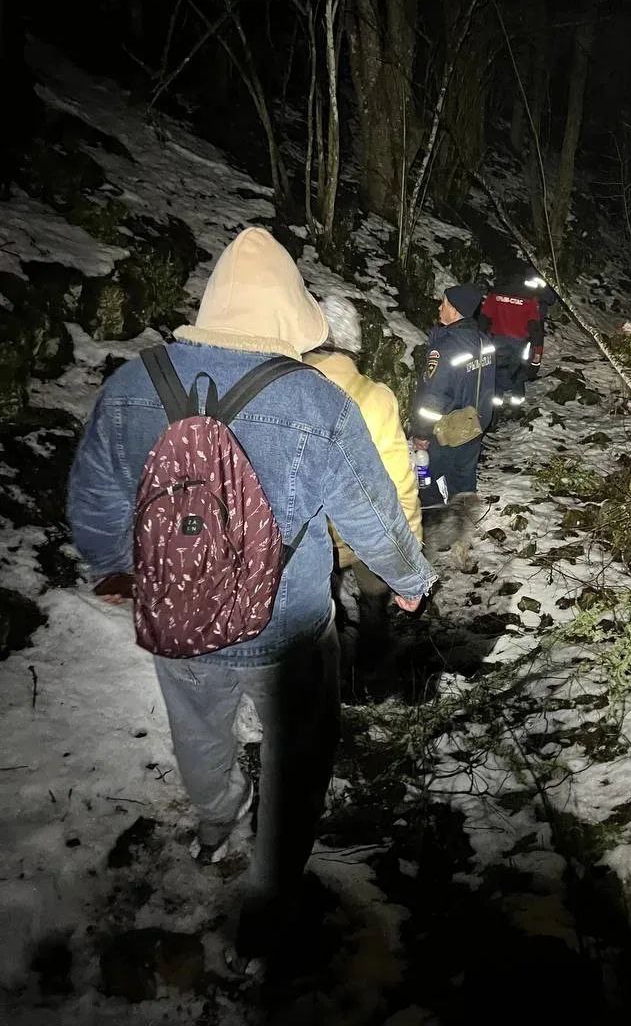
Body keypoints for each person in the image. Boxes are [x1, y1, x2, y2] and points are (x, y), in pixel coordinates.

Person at [67, 227, 436, 966]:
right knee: (298, 753)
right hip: (289, 624)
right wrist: (409, 581)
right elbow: (370, 508)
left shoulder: (132, 382)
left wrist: (115, 570)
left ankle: (215, 823)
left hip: (178, 612)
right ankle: (271, 890)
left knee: (198, 726)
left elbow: (96, 497)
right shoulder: (315, 400)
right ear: (293, 314)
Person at [304, 294, 422, 659]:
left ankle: (330, 670)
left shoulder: (281, 389)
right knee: (375, 601)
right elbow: (400, 479)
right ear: (354, 344)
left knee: (321, 611)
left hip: (306, 536)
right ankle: (371, 663)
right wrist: (409, 555)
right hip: (364, 531)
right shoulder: (375, 398)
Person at [411, 282, 495, 505]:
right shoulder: (484, 342)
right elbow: (488, 386)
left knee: (426, 484)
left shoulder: (445, 349)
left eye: (444, 303)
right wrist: (482, 420)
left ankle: (436, 532)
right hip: (474, 426)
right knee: (464, 484)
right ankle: (463, 534)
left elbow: (434, 397)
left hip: (446, 433)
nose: (439, 308)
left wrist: (422, 433)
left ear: (455, 310)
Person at [479, 268, 556, 418]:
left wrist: (480, 337)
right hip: (520, 340)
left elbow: (484, 317)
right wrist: (537, 348)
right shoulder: (529, 298)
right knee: (518, 371)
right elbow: (535, 323)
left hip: (497, 338)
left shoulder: (495, 293)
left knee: (497, 371)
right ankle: (515, 408)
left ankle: (494, 410)